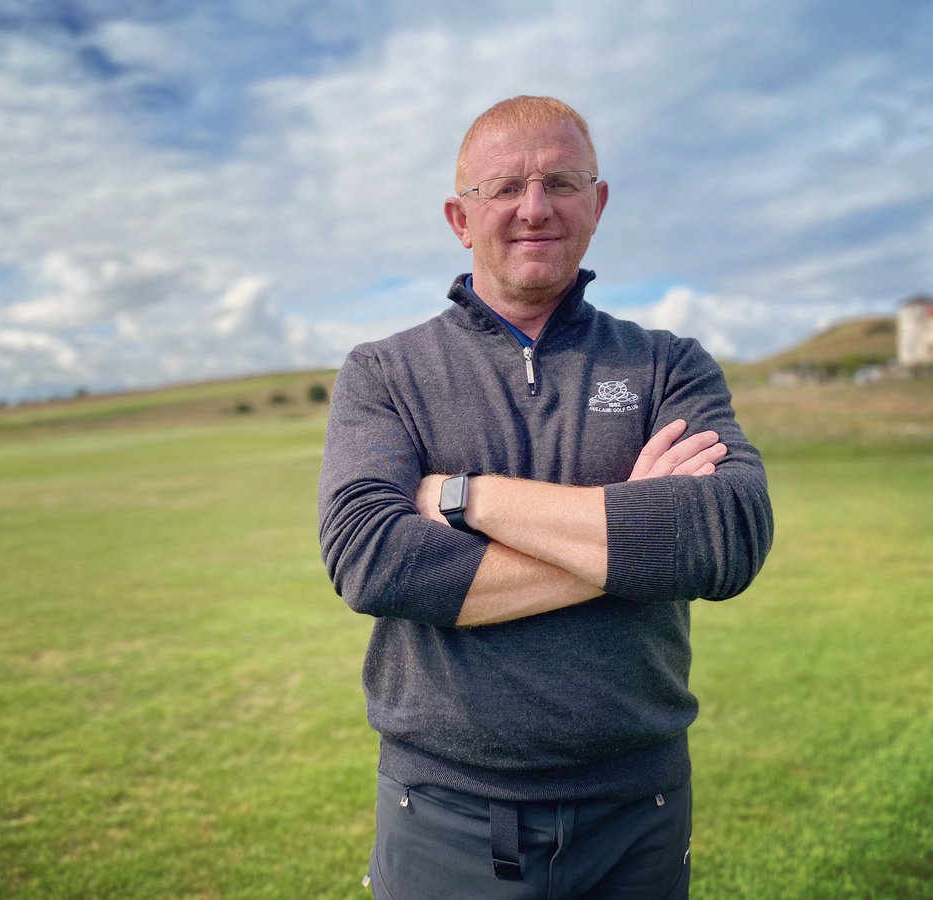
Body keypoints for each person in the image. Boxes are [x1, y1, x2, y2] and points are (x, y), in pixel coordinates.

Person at [316, 96, 773, 899]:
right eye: (505, 189)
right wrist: (640, 528)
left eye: (561, 182)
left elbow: (728, 535)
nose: (535, 208)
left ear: (597, 205)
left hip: (639, 808)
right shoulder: (385, 372)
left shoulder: (668, 365)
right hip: (443, 812)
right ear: (461, 218)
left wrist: (468, 497)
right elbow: (374, 561)